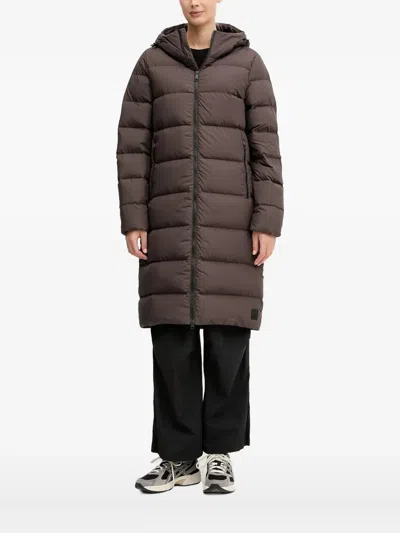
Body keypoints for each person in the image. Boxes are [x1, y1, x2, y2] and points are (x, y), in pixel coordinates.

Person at [115, 0, 284, 494]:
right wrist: (134, 218)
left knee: (228, 342)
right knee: (172, 343)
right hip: (167, 225)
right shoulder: (151, 63)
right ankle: (177, 458)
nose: (195, 1)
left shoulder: (248, 64)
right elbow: (132, 146)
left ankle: (220, 456)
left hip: (232, 226)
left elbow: (266, 149)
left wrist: (267, 220)